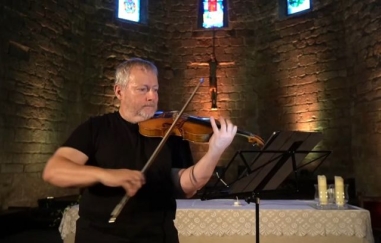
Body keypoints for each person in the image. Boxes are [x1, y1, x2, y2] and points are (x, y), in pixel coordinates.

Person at [42, 57, 237, 243]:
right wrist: (105, 175)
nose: (152, 96)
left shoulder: (171, 131)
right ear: (119, 92)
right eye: (143, 89)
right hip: (101, 236)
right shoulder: (96, 128)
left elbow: (186, 186)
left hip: (159, 237)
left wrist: (215, 152)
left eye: (155, 89)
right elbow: (54, 171)